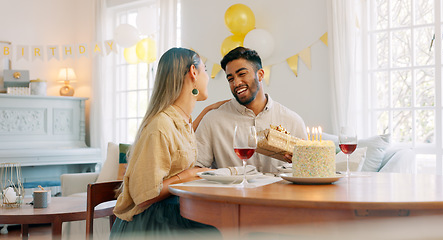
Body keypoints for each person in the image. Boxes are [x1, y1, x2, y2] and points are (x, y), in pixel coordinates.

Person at [110, 48, 219, 239]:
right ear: (193, 72)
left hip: (169, 213)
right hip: (149, 223)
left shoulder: (182, 122)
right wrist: (191, 174)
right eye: (206, 69)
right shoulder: (160, 126)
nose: (208, 77)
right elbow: (145, 196)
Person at [195, 46, 307, 173]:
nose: (236, 83)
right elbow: (196, 168)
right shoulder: (212, 121)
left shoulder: (292, 121)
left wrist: (300, 163)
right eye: (230, 79)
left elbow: (307, 170)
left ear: (260, 75)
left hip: (280, 192)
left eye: (242, 74)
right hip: (230, 192)